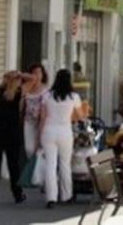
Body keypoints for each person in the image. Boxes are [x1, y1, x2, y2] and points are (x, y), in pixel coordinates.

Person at [39, 69, 85, 208]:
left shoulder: (47, 95)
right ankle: (66, 195)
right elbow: (81, 116)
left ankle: (50, 198)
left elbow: (43, 117)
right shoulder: (74, 97)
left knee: (50, 165)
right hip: (65, 132)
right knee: (65, 164)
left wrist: (39, 135)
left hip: (48, 130)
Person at [0, 71, 27, 205]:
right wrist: (20, 74)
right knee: (13, 165)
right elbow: (32, 80)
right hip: (11, 135)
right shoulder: (18, 94)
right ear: (16, 81)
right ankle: (17, 194)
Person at [21, 63, 48, 160]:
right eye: (34, 73)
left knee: (39, 148)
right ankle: (32, 167)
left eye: (39, 73)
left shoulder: (46, 89)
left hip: (41, 121)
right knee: (29, 148)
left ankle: (37, 171)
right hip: (28, 121)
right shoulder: (26, 88)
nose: (37, 75)